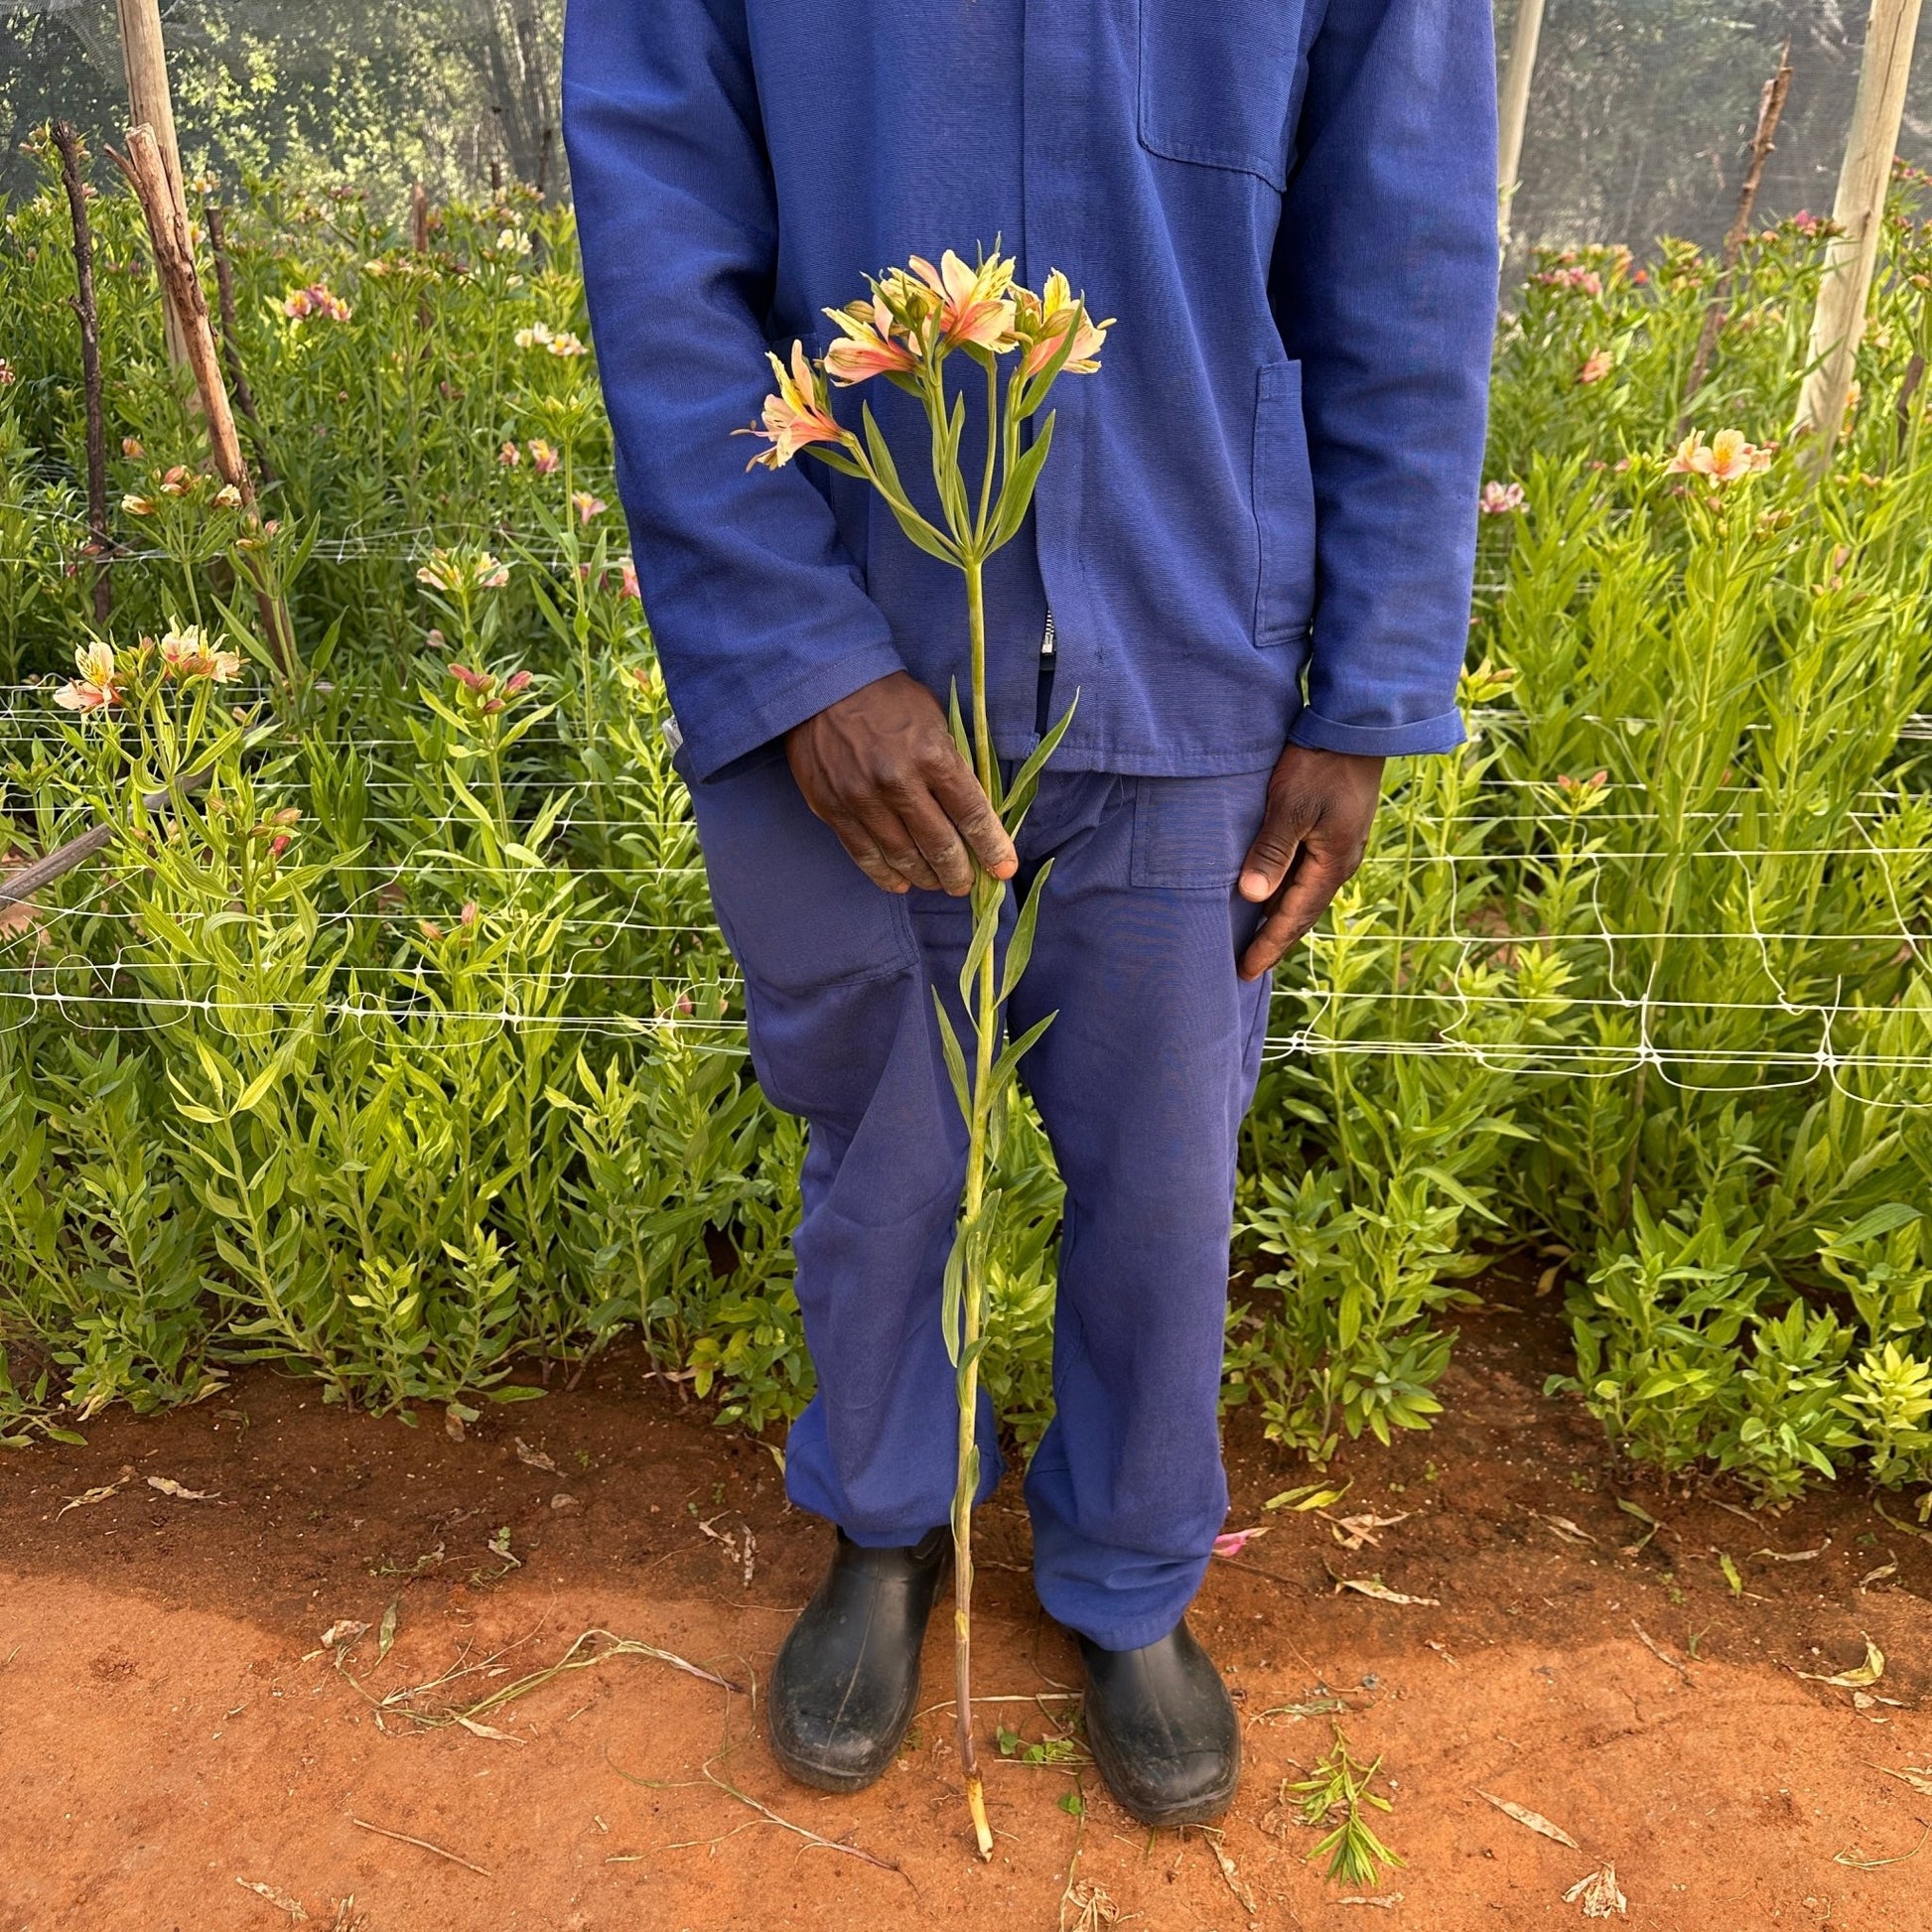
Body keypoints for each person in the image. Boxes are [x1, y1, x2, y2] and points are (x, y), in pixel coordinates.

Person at [563, 0, 1496, 1826]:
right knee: (885, 1142)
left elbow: (1401, 255)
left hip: (1194, 642)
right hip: (848, 657)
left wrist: (1367, 691)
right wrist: (797, 656)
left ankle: (1132, 1569)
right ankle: (890, 1521)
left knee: (1162, 1166)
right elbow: (661, 240)